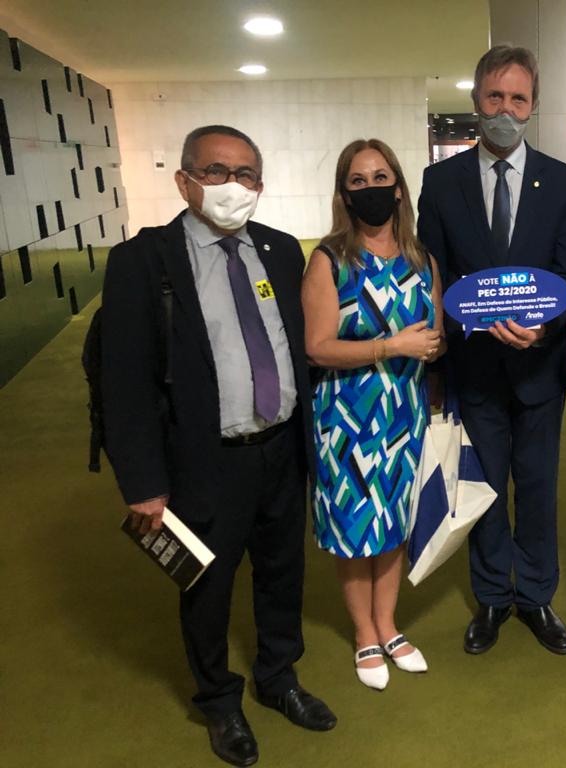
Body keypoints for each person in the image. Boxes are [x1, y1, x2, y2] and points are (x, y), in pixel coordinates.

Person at [100, 125, 336, 767]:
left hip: (282, 449)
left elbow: (299, 345)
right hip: (205, 458)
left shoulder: (281, 251)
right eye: (216, 171)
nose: (233, 185)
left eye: (247, 174)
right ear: (185, 182)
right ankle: (219, 699)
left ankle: (279, 678)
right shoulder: (143, 261)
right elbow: (124, 381)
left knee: (283, 571)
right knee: (207, 584)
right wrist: (143, 482)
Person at [417, 45, 566, 656]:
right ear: (476, 100)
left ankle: (536, 596)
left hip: (540, 368)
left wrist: (542, 329)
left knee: (537, 488)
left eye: (518, 98)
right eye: (495, 96)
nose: (505, 110)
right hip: (474, 369)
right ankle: (491, 596)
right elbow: (433, 276)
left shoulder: (564, 182)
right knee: (484, 486)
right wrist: (447, 351)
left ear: (533, 105)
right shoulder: (441, 182)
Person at [301, 139, 444, 690]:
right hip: (347, 416)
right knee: (355, 527)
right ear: (344, 194)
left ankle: (388, 624)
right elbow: (318, 347)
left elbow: (433, 336)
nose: (371, 189)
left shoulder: (421, 259)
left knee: (394, 523)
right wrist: (391, 346)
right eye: (358, 181)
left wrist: (432, 348)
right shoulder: (330, 259)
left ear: (399, 188)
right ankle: (364, 632)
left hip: (405, 412)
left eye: (380, 178)